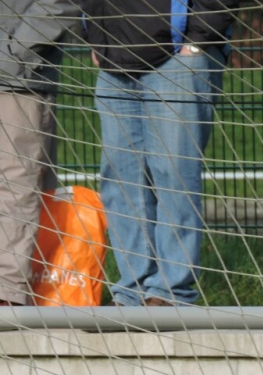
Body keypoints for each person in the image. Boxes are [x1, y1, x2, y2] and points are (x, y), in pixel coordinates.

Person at [81, 0, 241, 306]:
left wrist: (196, 41)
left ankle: (171, 292)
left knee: (173, 174)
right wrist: (95, 35)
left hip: (177, 57)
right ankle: (131, 290)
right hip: (113, 58)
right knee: (120, 179)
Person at [0, 0, 78, 305]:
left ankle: (7, 293)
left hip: (18, 80)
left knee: (15, 184)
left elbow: (61, 3)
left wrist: (13, 54)